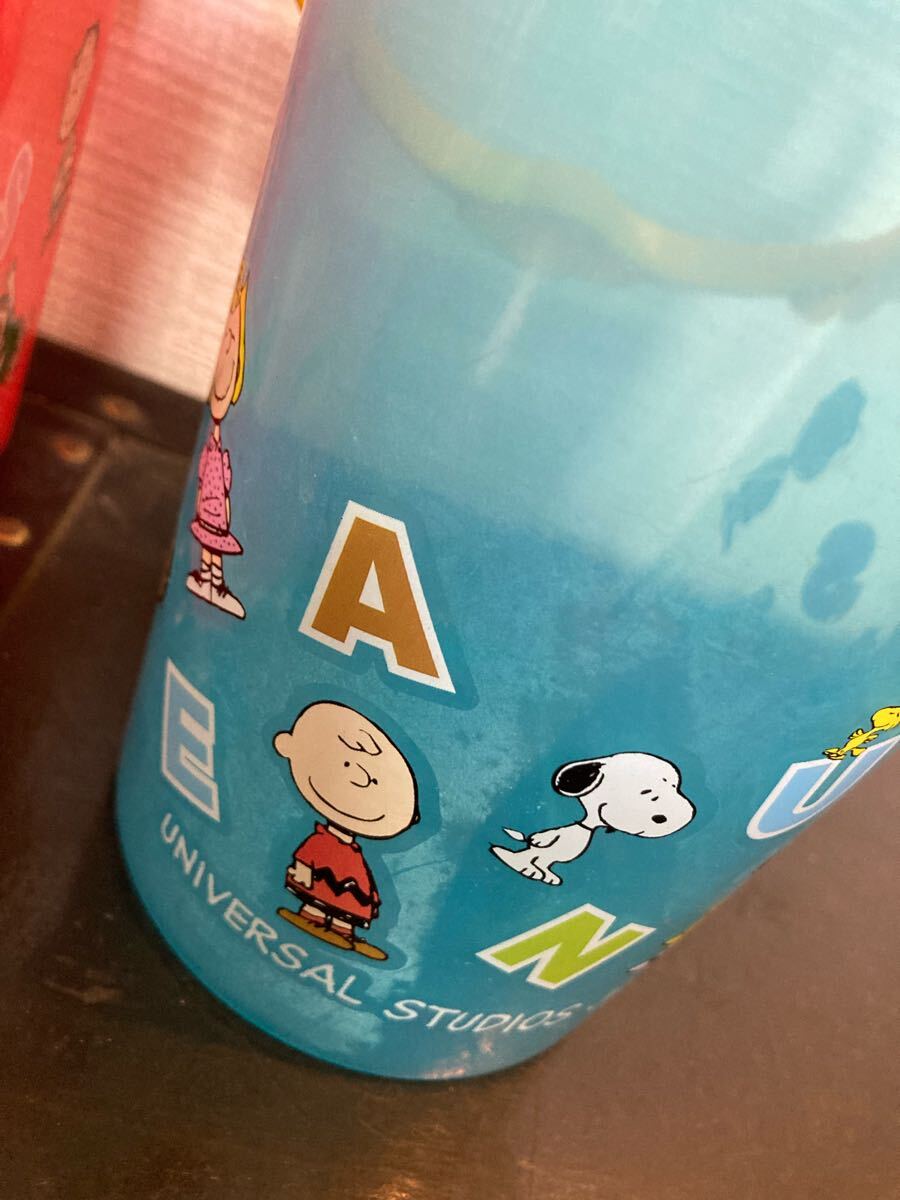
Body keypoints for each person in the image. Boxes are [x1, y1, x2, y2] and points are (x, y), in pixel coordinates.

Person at [273, 701, 420, 960]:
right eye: (347, 765)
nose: (360, 779)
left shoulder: (353, 852)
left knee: (350, 900)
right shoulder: (322, 840)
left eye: (373, 779)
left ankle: (343, 930)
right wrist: (303, 872)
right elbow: (308, 855)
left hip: (351, 870)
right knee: (324, 895)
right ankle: (312, 917)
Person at [186, 264, 248, 618]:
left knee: (213, 545)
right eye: (227, 345)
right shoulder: (215, 448)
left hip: (215, 512)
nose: (226, 361)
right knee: (207, 547)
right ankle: (210, 582)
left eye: (232, 351)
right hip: (208, 509)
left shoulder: (221, 451)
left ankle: (215, 584)